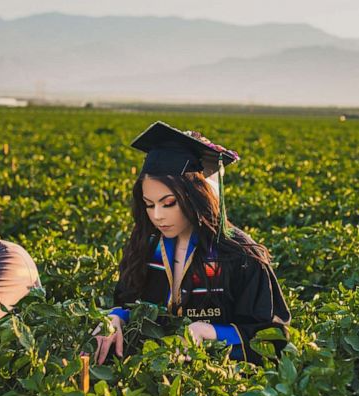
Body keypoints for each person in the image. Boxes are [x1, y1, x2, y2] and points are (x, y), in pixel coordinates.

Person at [93, 121, 290, 365]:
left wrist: (212, 333)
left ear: (195, 196)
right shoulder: (145, 245)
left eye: (168, 203)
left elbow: (272, 338)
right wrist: (115, 318)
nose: (157, 216)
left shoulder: (240, 255)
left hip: (221, 386)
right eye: (149, 204)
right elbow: (127, 301)